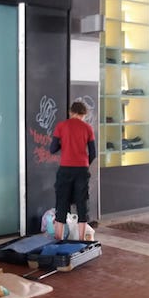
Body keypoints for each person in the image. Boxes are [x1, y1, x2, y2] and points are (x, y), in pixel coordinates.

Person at [49, 101, 96, 240]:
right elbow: (93, 153)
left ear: (71, 112)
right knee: (82, 203)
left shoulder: (61, 126)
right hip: (82, 170)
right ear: (84, 114)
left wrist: (63, 144)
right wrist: (85, 164)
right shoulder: (88, 128)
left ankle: (58, 238)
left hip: (65, 169)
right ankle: (81, 239)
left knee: (62, 202)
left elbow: (52, 149)